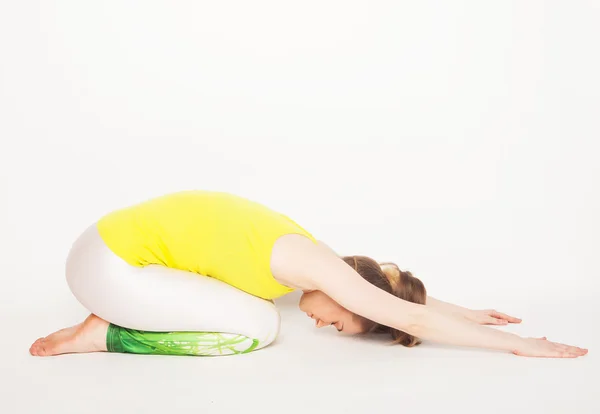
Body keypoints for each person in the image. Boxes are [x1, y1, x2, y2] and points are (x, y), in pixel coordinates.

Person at [29, 190, 587, 358]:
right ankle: (104, 334)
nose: (323, 325)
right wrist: (515, 346)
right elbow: (394, 306)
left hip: (103, 251)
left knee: (260, 312)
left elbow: (389, 290)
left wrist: (462, 310)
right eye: (342, 325)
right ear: (352, 297)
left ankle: (109, 313)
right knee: (258, 328)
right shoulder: (312, 264)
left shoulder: (315, 258)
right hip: (107, 265)